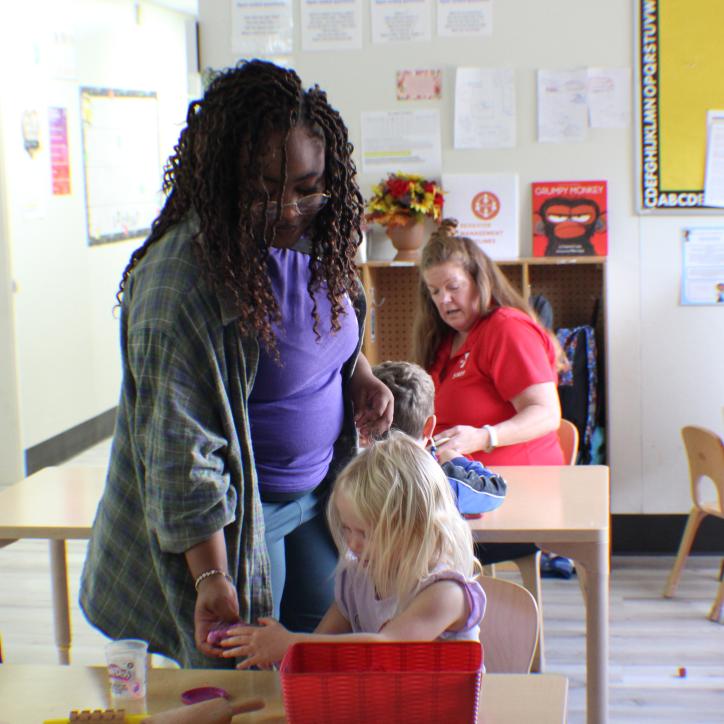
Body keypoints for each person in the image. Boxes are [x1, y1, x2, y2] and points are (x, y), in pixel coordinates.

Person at [79, 59, 394, 668]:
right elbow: (181, 450)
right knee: (247, 688)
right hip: (236, 525)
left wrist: (357, 373)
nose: (289, 208)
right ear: (223, 180)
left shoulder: (315, 230)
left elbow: (333, 321)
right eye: (261, 191)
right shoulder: (182, 281)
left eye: (307, 186)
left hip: (320, 494)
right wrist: (210, 579)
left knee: (319, 662)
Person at [215, 432, 486, 669]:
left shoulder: (445, 592)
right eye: (347, 529)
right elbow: (320, 646)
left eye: (366, 534)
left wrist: (291, 644)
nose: (352, 545)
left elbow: (387, 648)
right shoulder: (355, 578)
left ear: (416, 528)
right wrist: (274, 649)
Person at [413, 218, 564, 564]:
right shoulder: (447, 340)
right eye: (434, 292)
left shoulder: (506, 329)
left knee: (395, 539)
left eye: (453, 287)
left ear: (478, 280)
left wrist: (483, 437)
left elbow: (547, 414)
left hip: (516, 497)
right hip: (464, 492)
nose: (444, 299)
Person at [371, 360, 507, 517]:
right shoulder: (444, 482)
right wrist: (455, 459)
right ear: (429, 426)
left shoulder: (354, 478)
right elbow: (496, 490)